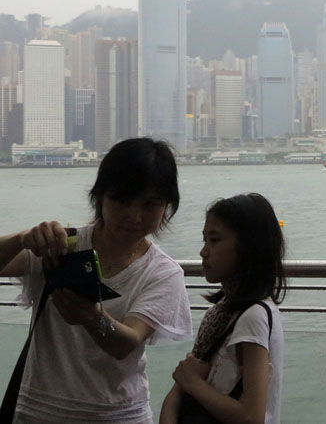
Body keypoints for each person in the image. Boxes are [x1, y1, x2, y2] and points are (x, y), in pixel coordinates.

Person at [0, 137, 192, 424]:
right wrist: (22, 239)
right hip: (37, 411)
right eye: (121, 200)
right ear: (100, 196)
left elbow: (125, 344)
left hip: (118, 417)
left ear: (167, 206)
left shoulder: (163, 273)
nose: (135, 216)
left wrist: (92, 318)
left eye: (150, 204)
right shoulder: (62, 245)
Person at [159, 193, 286, 424]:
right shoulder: (223, 313)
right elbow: (177, 394)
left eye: (215, 240)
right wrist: (189, 382)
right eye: (204, 240)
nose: (204, 251)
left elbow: (251, 416)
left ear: (248, 247)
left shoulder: (253, 317)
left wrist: (193, 383)